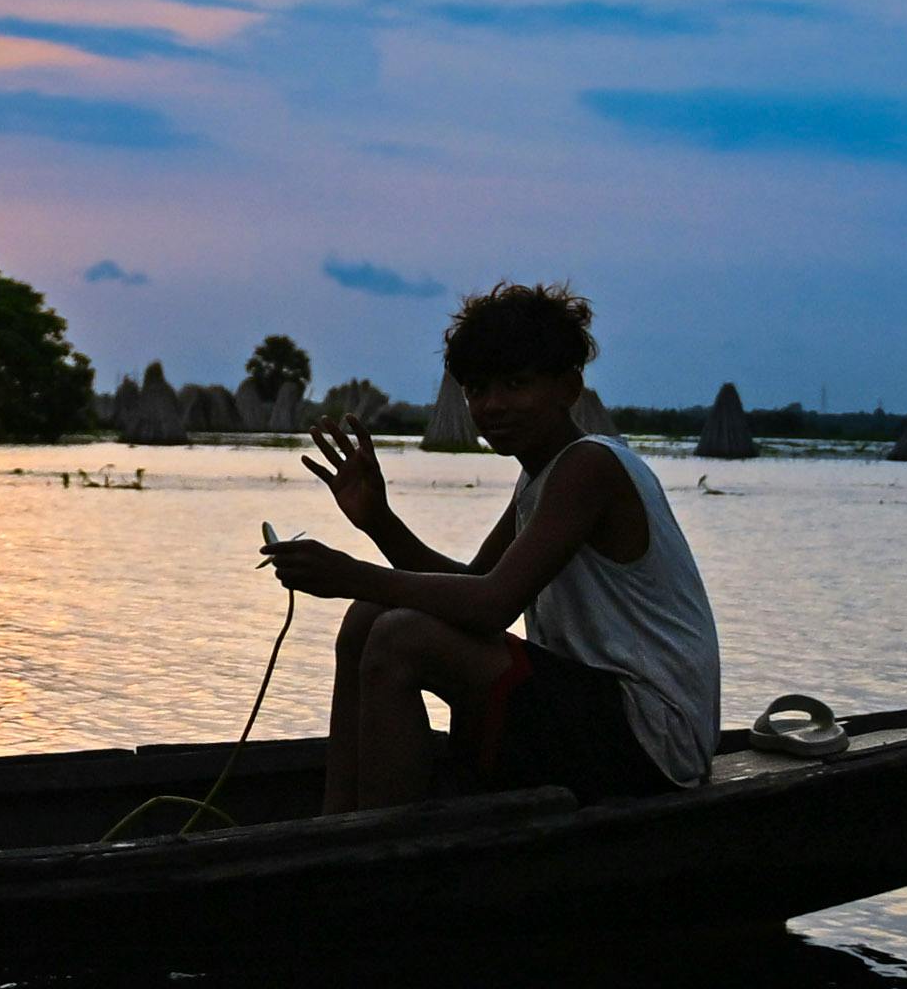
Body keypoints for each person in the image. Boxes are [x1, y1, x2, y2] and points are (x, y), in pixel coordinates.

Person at [270, 281, 722, 811]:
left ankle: (381, 844)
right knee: (370, 614)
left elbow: (491, 606)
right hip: (593, 712)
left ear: (569, 388)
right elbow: (472, 586)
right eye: (478, 389)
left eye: (515, 384)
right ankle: (336, 824)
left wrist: (351, 572)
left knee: (399, 635)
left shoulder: (589, 466)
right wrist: (379, 522)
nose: (493, 406)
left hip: (653, 738)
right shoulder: (543, 476)